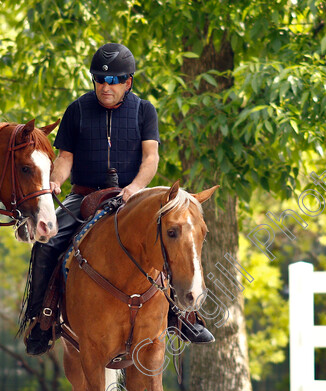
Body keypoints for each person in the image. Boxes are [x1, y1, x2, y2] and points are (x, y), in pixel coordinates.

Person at [21, 42, 215, 356]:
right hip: (84, 195)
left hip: (132, 197)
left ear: (128, 82)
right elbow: (66, 156)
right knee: (47, 245)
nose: (105, 86)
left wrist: (136, 187)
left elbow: (151, 158)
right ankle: (41, 319)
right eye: (99, 79)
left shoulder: (144, 110)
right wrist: (55, 180)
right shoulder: (77, 110)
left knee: (169, 240)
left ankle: (183, 315)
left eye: (113, 81)